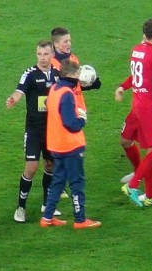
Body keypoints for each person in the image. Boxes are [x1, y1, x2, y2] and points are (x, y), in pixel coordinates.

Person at [116, 19, 152, 207]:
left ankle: (151, 195)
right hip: (150, 107)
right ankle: (133, 186)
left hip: (139, 104)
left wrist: (122, 87)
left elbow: (140, 76)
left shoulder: (136, 50)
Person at [41, 59, 100, 229]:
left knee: (58, 181)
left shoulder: (54, 88)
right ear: (70, 74)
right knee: (76, 183)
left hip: (56, 144)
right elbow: (70, 123)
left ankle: (47, 217)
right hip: (70, 145)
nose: (79, 77)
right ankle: (80, 220)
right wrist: (81, 120)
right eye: (77, 74)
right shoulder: (67, 93)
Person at [6, 40, 61, 223]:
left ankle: (47, 204)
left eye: (45, 54)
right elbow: (19, 91)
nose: (42, 58)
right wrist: (13, 99)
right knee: (31, 167)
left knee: (50, 165)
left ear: (52, 55)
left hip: (52, 129)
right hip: (34, 130)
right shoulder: (30, 74)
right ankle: (21, 207)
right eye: (39, 54)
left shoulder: (57, 73)